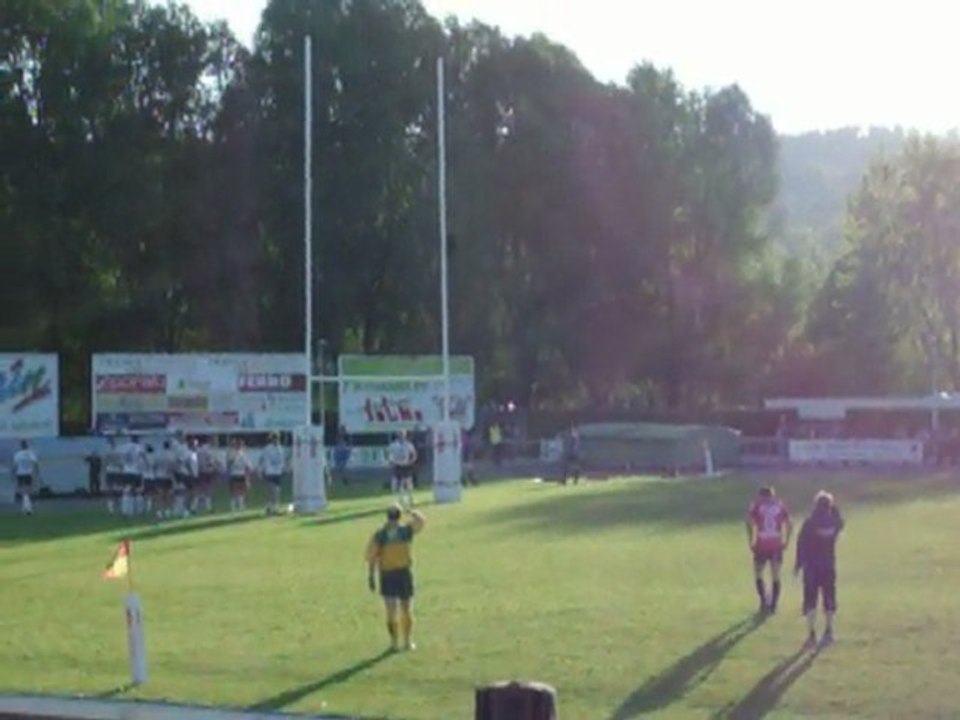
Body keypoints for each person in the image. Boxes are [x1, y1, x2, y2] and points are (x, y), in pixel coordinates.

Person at [365, 505, 426, 652]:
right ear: (399, 516)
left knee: (392, 611)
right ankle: (407, 641)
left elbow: (371, 557)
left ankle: (395, 642)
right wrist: (411, 511)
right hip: (402, 574)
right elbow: (421, 521)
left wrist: (371, 576)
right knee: (406, 610)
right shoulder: (404, 531)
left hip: (388, 575)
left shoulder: (381, 534)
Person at [795, 490, 845, 648]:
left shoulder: (809, 523)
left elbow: (800, 544)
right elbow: (841, 521)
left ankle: (811, 634)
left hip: (811, 566)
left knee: (810, 599)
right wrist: (834, 508)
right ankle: (829, 631)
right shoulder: (833, 524)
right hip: (828, 564)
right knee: (829, 597)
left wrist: (798, 564)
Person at [745, 486, 793, 613]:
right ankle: (774, 604)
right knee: (776, 575)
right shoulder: (780, 505)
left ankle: (763, 602)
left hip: (762, 543)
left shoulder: (757, 505)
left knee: (758, 573)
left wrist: (751, 539)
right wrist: (787, 540)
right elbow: (789, 523)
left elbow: (748, 522)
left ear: (761, 495)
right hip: (776, 543)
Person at [388, 431, 417, 508]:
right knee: (397, 483)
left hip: (406, 465)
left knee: (408, 482)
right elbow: (390, 455)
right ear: (398, 435)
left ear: (405, 435)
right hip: (397, 465)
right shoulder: (393, 445)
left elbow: (414, 454)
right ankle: (400, 500)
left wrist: (411, 461)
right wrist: (392, 462)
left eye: (403, 434)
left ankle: (411, 499)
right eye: (400, 434)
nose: (401, 436)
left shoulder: (409, 444)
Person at [259, 433, 286, 514]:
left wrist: (283, 469)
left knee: (277, 491)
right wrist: (261, 470)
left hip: (277, 472)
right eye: (275, 438)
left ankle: (271, 507)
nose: (276, 440)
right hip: (270, 472)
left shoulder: (280, 449)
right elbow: (262, 460)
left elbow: (282, 461)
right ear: (272, 439)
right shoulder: (267, 449)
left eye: (277, 438)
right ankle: (272, 508)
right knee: (272, 491)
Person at [12, 440, 39, 515]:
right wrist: (37, 473)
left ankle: (27, 508)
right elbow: (35, 464)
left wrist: (13, 474)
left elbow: (15, 466)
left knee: (24, 492)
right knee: (27, 491)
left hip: (20, 474)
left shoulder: (17, 454)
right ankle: (27, 508)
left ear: (21, 446)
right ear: (27, 445)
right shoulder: (31, 453)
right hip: (28, 474)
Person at [226, 438, 252, 512]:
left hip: (241, 474)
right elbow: (229, 463)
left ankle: (240, 506)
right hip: (234, 473)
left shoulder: (243, 453)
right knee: (234, 491)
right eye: (238, 445)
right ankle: (233, 507)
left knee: (242, 490)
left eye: (240, 445)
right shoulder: (231, 453)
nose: (239, 446)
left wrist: (248, 474)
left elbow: (247, 465)